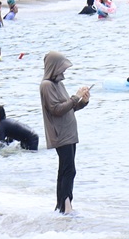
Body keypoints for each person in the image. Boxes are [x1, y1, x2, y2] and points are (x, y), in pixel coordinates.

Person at [39, 52, 91, 214]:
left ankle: (62, 205)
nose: (63, 73)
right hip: (59, 133)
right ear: (54, 67)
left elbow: (70, 108)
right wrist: (75, 96)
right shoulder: (46, 85)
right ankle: (66, 206)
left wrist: (83, 101)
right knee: (69, 169)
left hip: (70, 132)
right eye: (61, 69)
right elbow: (56, 110)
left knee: (66, 169)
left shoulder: (59, 84)